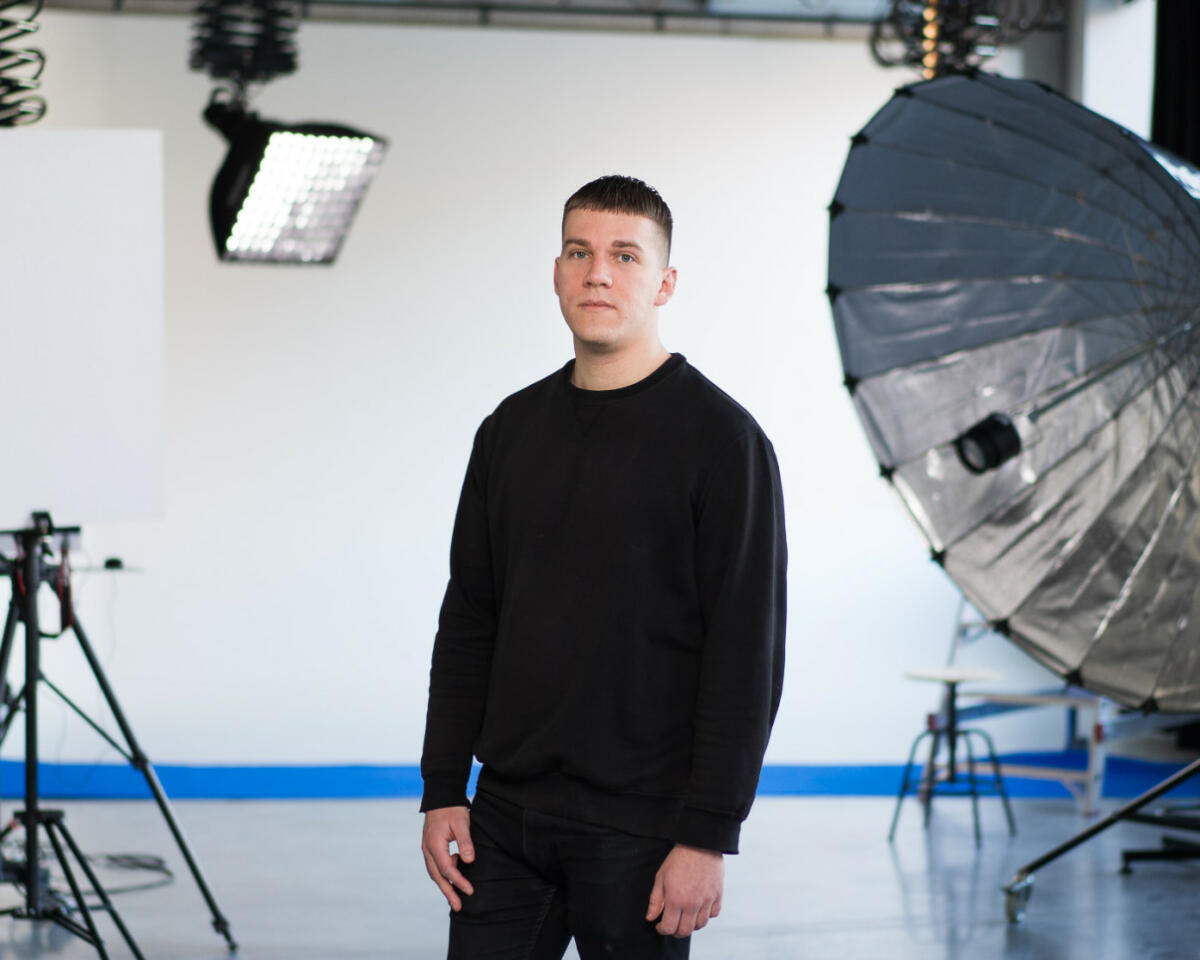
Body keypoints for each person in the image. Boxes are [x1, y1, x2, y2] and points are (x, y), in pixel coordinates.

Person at [420, 174, 787, 960]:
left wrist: (708, 836)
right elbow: (470, 620)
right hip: (505, 818)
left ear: (665, 282)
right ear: (556, 271)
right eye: (580, 252)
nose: (598, 273)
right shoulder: (509, 432)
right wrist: (444, 785)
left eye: (625, 255)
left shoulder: (724, 444)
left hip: (644, 828)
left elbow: (744, 655)